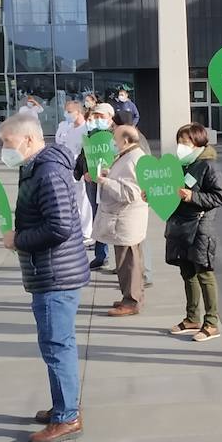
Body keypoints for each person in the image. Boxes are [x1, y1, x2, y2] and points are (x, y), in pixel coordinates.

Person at [0, 112, 90, 442]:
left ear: (27, 139)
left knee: (57, 346)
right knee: (55, 344)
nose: (3, 149)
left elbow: (59, 226)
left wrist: (18, 240)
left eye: (6, 142)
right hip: (52, 271)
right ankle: (61, 407)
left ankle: (67, 416)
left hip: (56, 274)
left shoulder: (47, 171)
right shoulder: (38, 167)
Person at [165, 123, 222, 341]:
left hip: (200, 226)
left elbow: (218, 197)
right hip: (180, 225)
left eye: (186, 142)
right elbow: (170, 192)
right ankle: (192, 318)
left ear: (198, 142)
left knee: (204, 273)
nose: (181, 146)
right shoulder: (181, 165)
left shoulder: (208, 166)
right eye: (179, 141)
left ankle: (211, 323)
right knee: (187, 272)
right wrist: (153, 195)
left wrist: (192, 197)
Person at [92, 124, 149, 317]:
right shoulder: (128, 156)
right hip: (124, 220)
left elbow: (131, 192)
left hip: (126, 220)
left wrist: (105, 182)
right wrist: (110, 175)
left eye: (114, 139)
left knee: (129, 263)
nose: (112, 143)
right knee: (129, 262)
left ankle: (131, 301)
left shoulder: (134, 158)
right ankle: (132, 297)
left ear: (125, 140)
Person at [80, 103, 115, 271]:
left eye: (102, 116)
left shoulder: (117, 134)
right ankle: (101, 256)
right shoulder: (90, 134)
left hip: (111, 181)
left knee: (114, 219)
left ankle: (121, 259)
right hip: (92, 181)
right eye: (96, 116)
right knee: (97, 217)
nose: (98, 119)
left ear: (110, 117)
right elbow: (84, 154)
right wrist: (86, 171)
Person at [55, 100, 94, 247]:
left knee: (84, 200)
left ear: (78, 112)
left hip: (82, 170)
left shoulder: (86, 129)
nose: (67, 114)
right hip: (68, 168)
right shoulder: (69, 128)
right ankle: (76, 229)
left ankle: (87, 232)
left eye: (69, 111)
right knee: (73, 200)